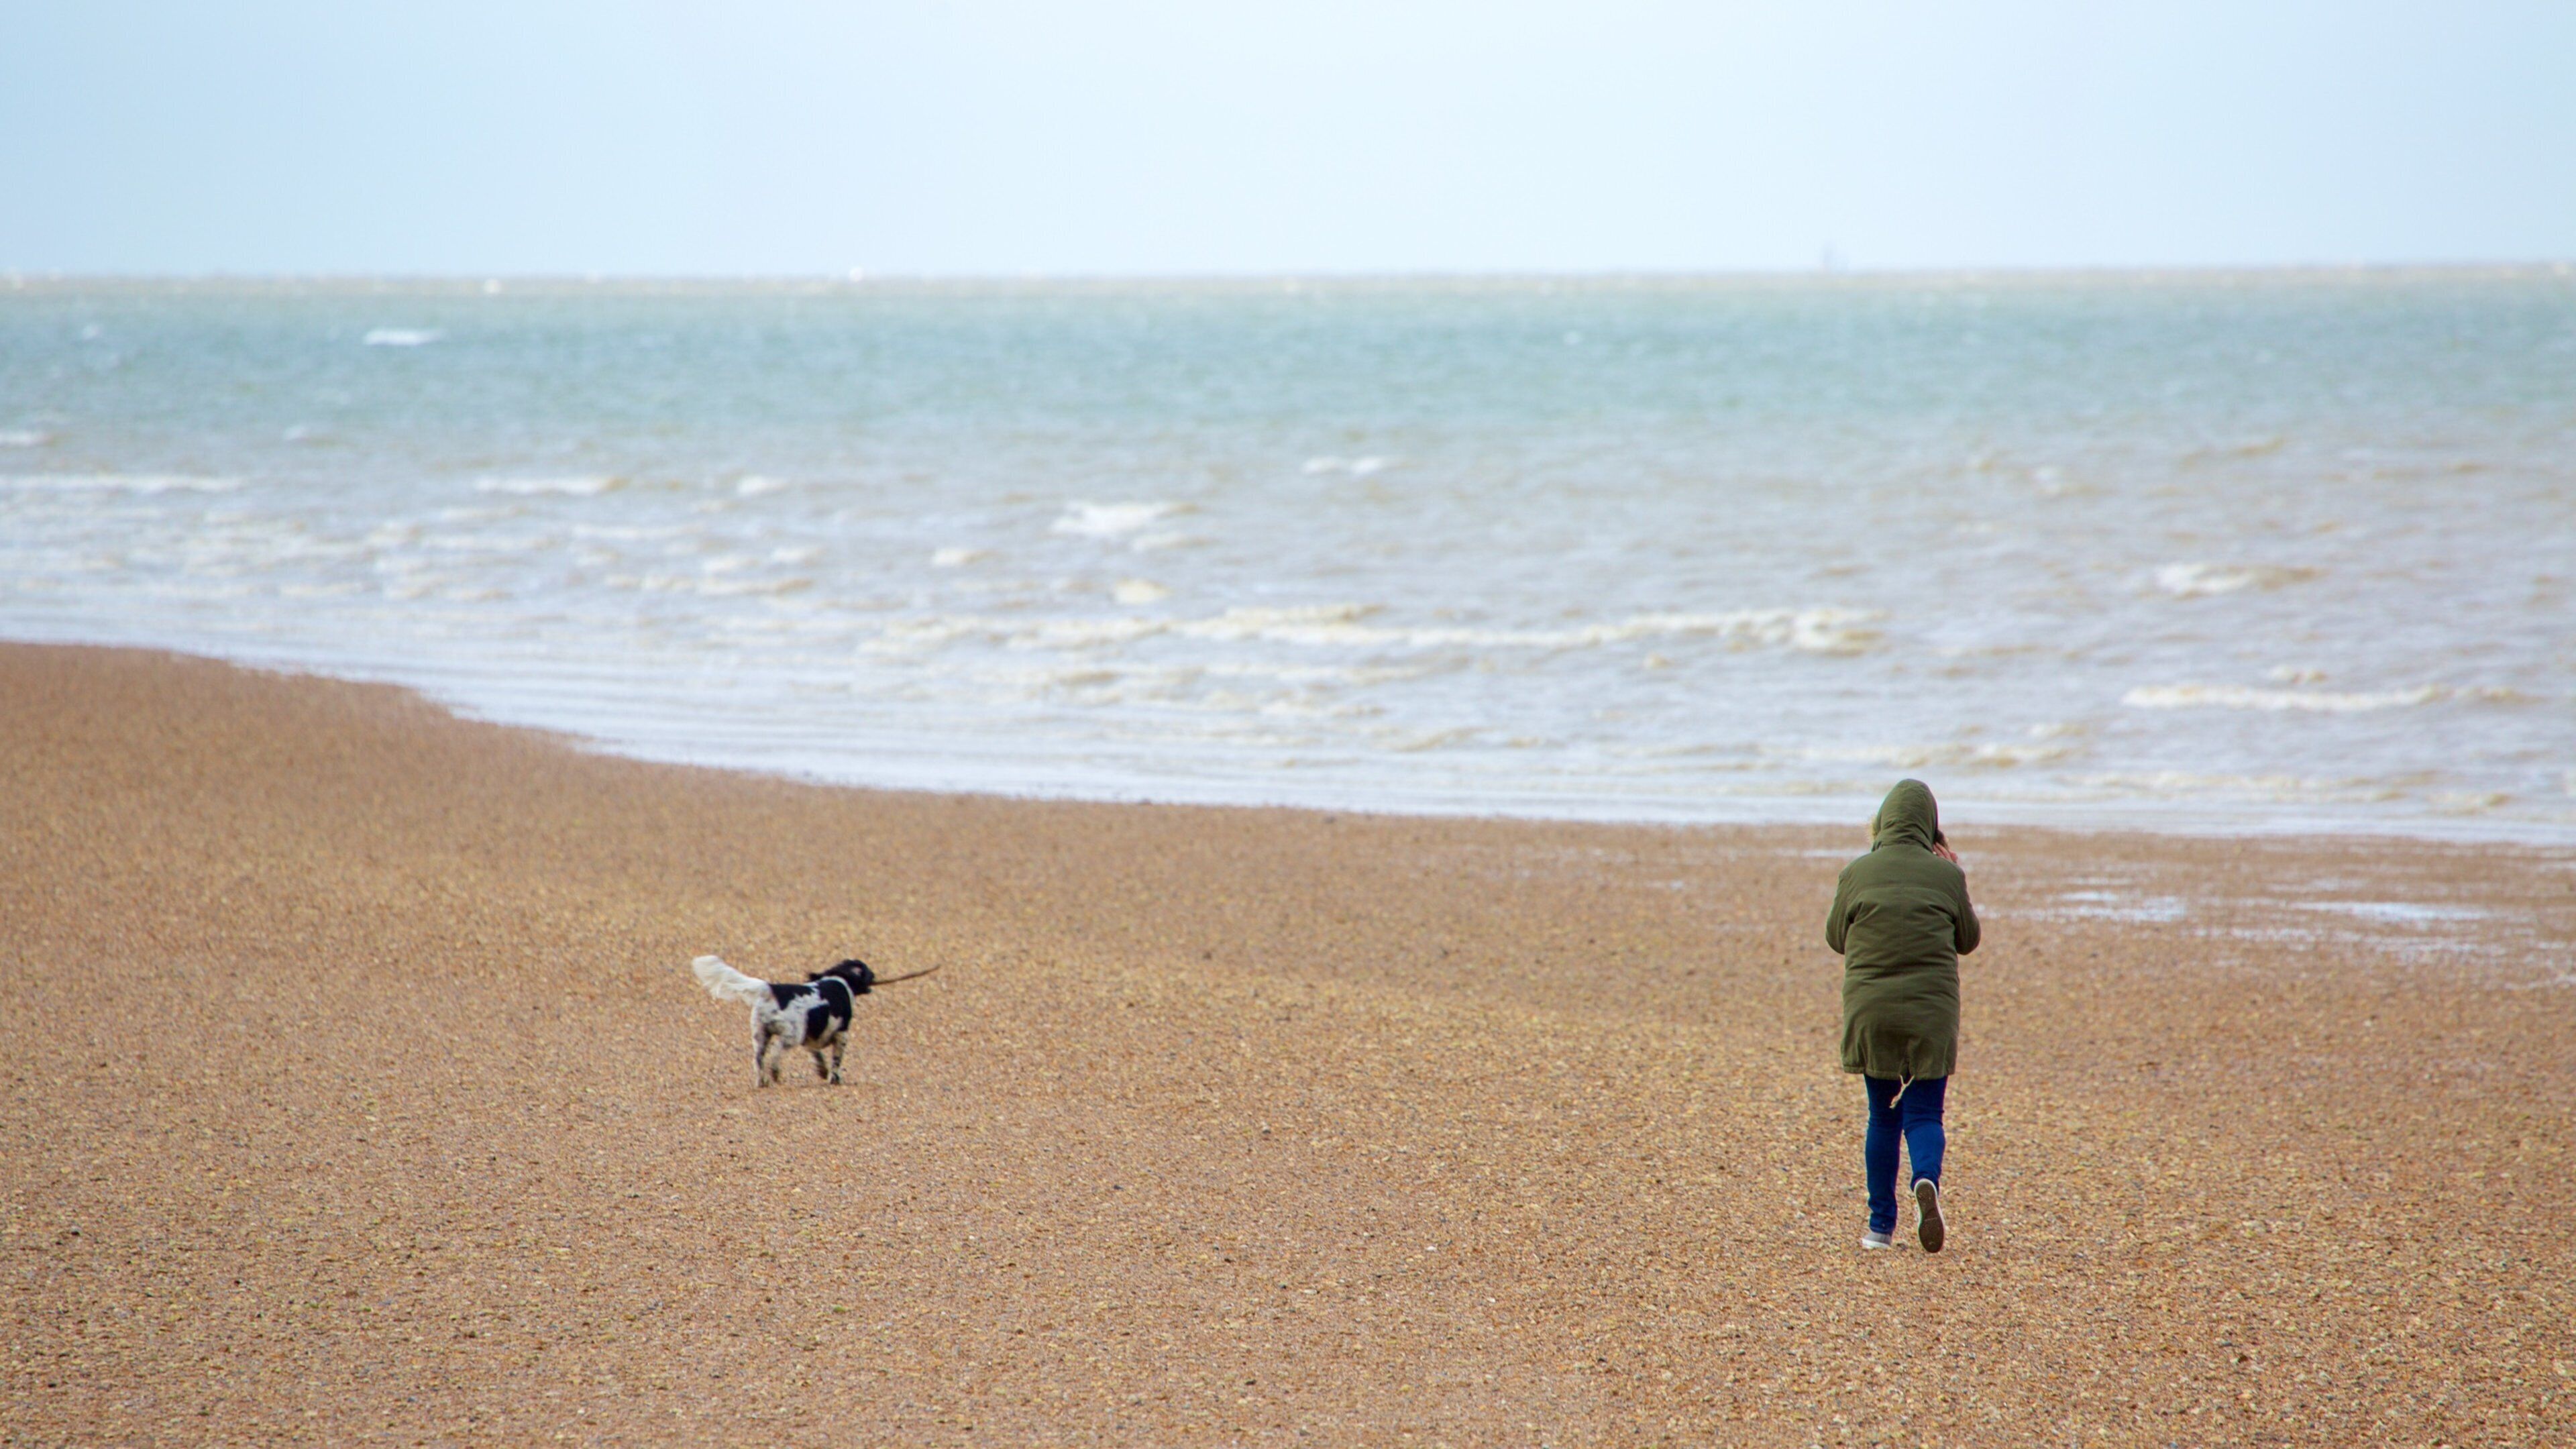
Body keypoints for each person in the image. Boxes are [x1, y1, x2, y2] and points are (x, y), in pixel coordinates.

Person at [1825, 779, 1980, 1252]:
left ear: (1882, 822)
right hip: (1930, 1011)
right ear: (1930, 827)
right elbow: (1967, 941)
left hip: (1872, 1011)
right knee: (1925, 1112)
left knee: (1882, 1115)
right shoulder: (1947, 877)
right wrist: (1954, 873)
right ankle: (1925, 1180)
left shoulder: (1856, 872)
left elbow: (1836, 938)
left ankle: (1878, 1229)